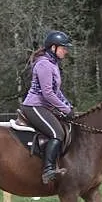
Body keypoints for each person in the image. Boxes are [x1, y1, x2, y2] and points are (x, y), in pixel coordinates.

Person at [21, 30, 75, 184]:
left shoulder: (53, 65)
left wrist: (68, 106)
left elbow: (57, 92)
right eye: (63, 48)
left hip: (44, 106)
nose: (66, 51)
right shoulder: (44, 64)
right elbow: (47, 94)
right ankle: (48, 170)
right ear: (53, 48)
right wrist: (65, 110)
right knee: (56, 133)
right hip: (34, 106)